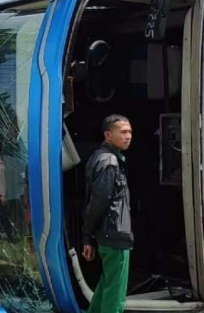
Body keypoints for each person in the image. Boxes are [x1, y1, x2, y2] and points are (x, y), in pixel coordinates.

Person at [82, 114, 133, 313]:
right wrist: (87, 236)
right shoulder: (109, 162)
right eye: (123, 132)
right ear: (108, 134)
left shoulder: (99, 157)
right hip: (115, 235)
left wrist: (89, 235)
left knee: (106, 285)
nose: (128, 136)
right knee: (115, 294)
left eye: (130, 132)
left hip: (106, 235)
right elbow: (99, 201)